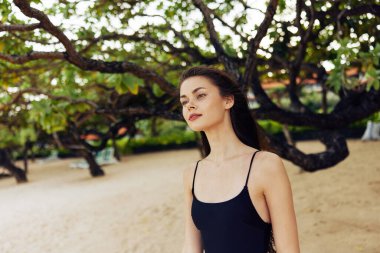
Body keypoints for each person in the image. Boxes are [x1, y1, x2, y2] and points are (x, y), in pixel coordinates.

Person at [179, 66, 300, 253]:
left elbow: (289, 250)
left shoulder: (265, 165)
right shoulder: (192, 174)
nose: (190, 105)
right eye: (184, 101)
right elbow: (190, 247)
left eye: (200, 95)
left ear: (228, 100)